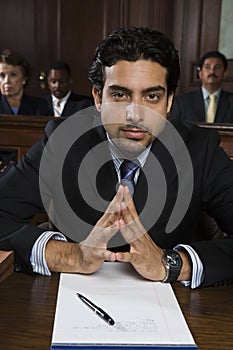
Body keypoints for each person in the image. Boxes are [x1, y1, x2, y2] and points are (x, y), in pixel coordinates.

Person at [0, 27, 233, 289]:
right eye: (120, 95)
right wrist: (71, 256)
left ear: (169, 102)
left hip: (175, 309)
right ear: (98, 98)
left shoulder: (199, 150)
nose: (135, 114)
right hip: (71, 301)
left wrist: (170, 263)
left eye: (152, 96)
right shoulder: (63, 141)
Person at [168, 51, 233, 123]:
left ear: (225, 73)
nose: (212, 71)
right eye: (207, 67)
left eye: (217, 67)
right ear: (200, 73)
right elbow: (173, 131)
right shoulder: (181, 102)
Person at [0, 49, 51, 116]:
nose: (6, 81)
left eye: (13, 75)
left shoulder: (40, 106)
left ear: (24, 79)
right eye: (2, 76)